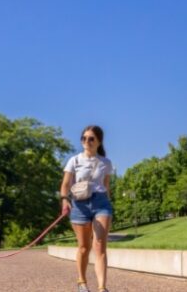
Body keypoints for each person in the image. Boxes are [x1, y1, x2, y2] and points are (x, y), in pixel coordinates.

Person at [60, 125, 114, 292]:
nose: (87, 141)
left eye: (91, 138)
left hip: (101, 203)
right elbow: (65, 185)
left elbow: (106, 186)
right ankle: (82, 282)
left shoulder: (106, 162)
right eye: (84, 138)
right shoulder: (74, 160)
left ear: (98, 141)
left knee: (100, 246)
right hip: (80, 205)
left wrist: (109, 205)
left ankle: (102, 287)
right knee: (84, 247)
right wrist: (64, 200)